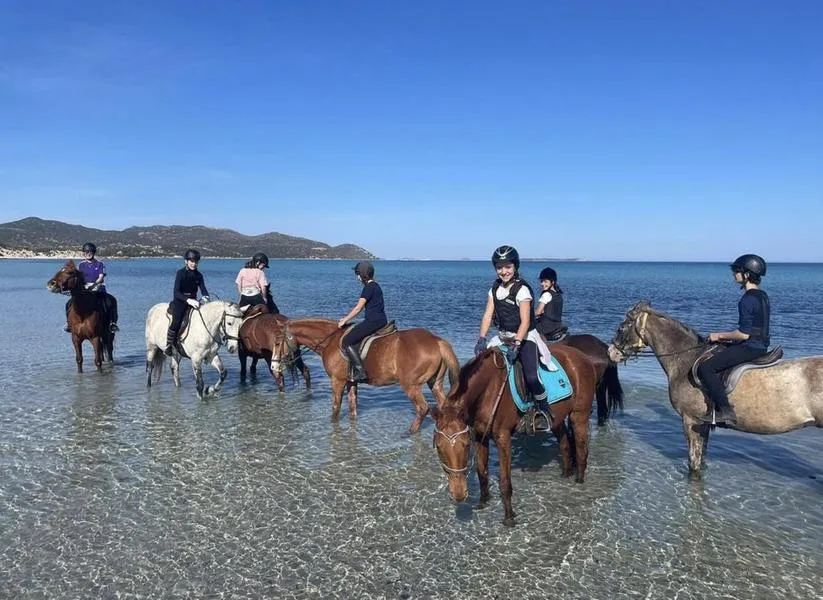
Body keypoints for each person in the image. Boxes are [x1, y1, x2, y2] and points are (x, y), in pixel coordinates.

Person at [475, 245, 552, 432]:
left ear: (515, 267)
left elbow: (525, 321)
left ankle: (545, 412)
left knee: (532, 376)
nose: (504, 271)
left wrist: (517, 343)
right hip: (503, 337)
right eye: (500, 267)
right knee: (480, 365)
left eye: (508, 267)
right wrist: (481, 338)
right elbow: (487, 315)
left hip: (525, 337)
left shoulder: (522, 290)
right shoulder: (494, 290)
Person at [698, 254, 771, 425]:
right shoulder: (763, 295)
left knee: (706, 367)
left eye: (737, 271)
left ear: (746, 274)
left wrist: (719, 335)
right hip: (761, 345)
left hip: (750, 347)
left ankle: (726, 410)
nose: (734, 274)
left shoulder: (747, 299)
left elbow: (743, 334)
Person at [337, 261, 387, 382]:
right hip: (381, 320)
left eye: (357, 274)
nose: (357, 277)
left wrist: (344, 320)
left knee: (347, 341)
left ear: (362, 275)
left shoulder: (368, 288)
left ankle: (360, 371)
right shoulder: (376, 285)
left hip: (373, 322)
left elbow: (358, 308)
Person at [64, 242, 118, 333]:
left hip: (98, 287)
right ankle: (69, 324)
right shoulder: (81, 265)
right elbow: (77, 278)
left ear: (93, 253)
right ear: (84, 253)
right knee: (69, 303)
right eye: (86, 252)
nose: (88, 254)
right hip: (84, 288)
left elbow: (101, 277)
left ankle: (112, 323)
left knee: (110, 302)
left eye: (90, 252)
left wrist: (94, 285)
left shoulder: (99, 264)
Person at [165, 248, 210, 356]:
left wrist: (206, 297)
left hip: (194, 302)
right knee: (176, 321)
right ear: (186, 261)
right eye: (192, 261)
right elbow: (176, 292)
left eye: (196, 262)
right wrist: (188, 300)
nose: (194, 264)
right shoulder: (180, 273)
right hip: (180, 301)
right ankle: (169, 345)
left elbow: (203, 289)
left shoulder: (199, 275)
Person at [535, 266, 567, 341]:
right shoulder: (559, 294)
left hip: (546, 327)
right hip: (558, 325)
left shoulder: (546, 294)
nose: (542, 284)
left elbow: (538, 312)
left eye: (545, 281)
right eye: (541, 281)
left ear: (552, 282)